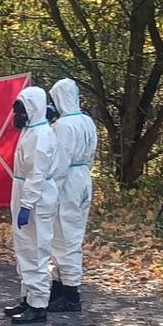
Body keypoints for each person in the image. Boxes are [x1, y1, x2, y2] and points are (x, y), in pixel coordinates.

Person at [4, 85, 61, 325]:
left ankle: (38, 304)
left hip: (36, 197)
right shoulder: (32, 130)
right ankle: (27, 297)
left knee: (36, 249)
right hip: (25, 191)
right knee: (25, 248)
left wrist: (27, 203)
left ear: (34, 109)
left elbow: (37, 174)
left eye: (22, 111)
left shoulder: (41, 136)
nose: (19, 116)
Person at [49, 78, 96, 312]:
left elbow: (60, 161)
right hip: (83, 177)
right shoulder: (87, 120)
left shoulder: (64, 126)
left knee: (64, 235)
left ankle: (70, 292)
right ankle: (59, 286)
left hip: (68, 180)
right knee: (71, 233)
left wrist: (50, 190)